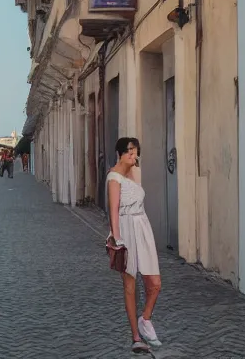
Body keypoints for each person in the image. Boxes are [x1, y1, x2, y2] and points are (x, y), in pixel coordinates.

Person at [107, 137, 162, 354]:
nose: (133, 156)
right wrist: (118, 240)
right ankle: (136, 337)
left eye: (135, 152)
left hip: (142, 226)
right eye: (129, 152)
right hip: (126, 228)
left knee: (155, 283)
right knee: (129, 286)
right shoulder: (114, 177)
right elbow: (114, 211)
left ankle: (145, 318)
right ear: (119, 153)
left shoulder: (135, 172)